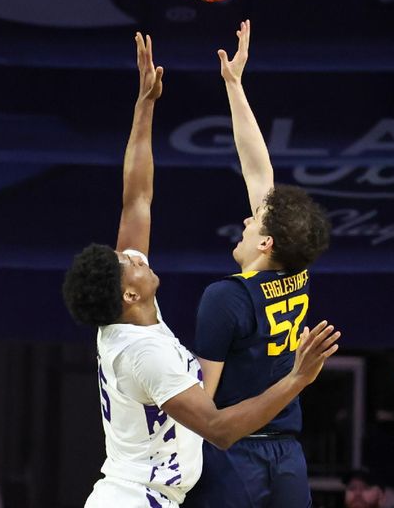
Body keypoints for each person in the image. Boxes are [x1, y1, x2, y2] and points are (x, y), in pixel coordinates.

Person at [62, 31, 340, 508]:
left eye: (127, 254)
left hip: (164, 491)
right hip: (142, 493)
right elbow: (214, 425)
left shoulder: (139, 314)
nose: (134, 255)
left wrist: (145, 104)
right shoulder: (149, 350)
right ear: (129, 294)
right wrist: (296, 380)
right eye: (128, 262)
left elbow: (137, 198)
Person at [183, 21, 332, 508]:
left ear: (266, 242)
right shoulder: (296, 270)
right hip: (289, 454)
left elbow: (204, 404)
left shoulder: (226, 297)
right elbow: (258, 168)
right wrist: (234, 85)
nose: (246, 218)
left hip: (236, 456)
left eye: (255, 221)